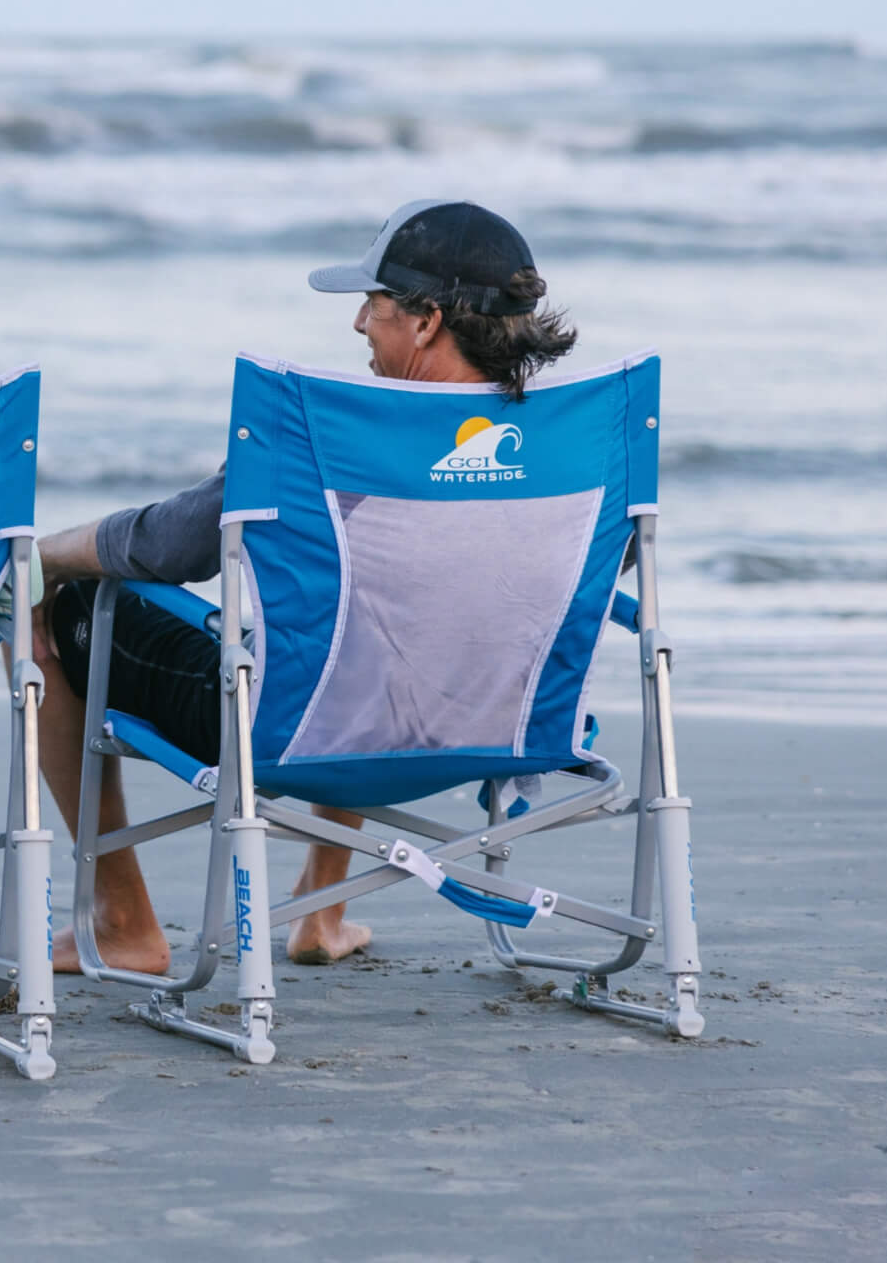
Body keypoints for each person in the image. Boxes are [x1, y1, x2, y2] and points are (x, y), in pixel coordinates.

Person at [33, 198, 578, 975]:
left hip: (302, 731)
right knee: (379, 618)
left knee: (66, 611)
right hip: (507, 726)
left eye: (374, 303)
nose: (359, 323)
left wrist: (46, 557)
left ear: (426, 320)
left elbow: (171, 545)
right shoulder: (572, 444)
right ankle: (319, 915)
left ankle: (123, 921)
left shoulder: (328, 432)